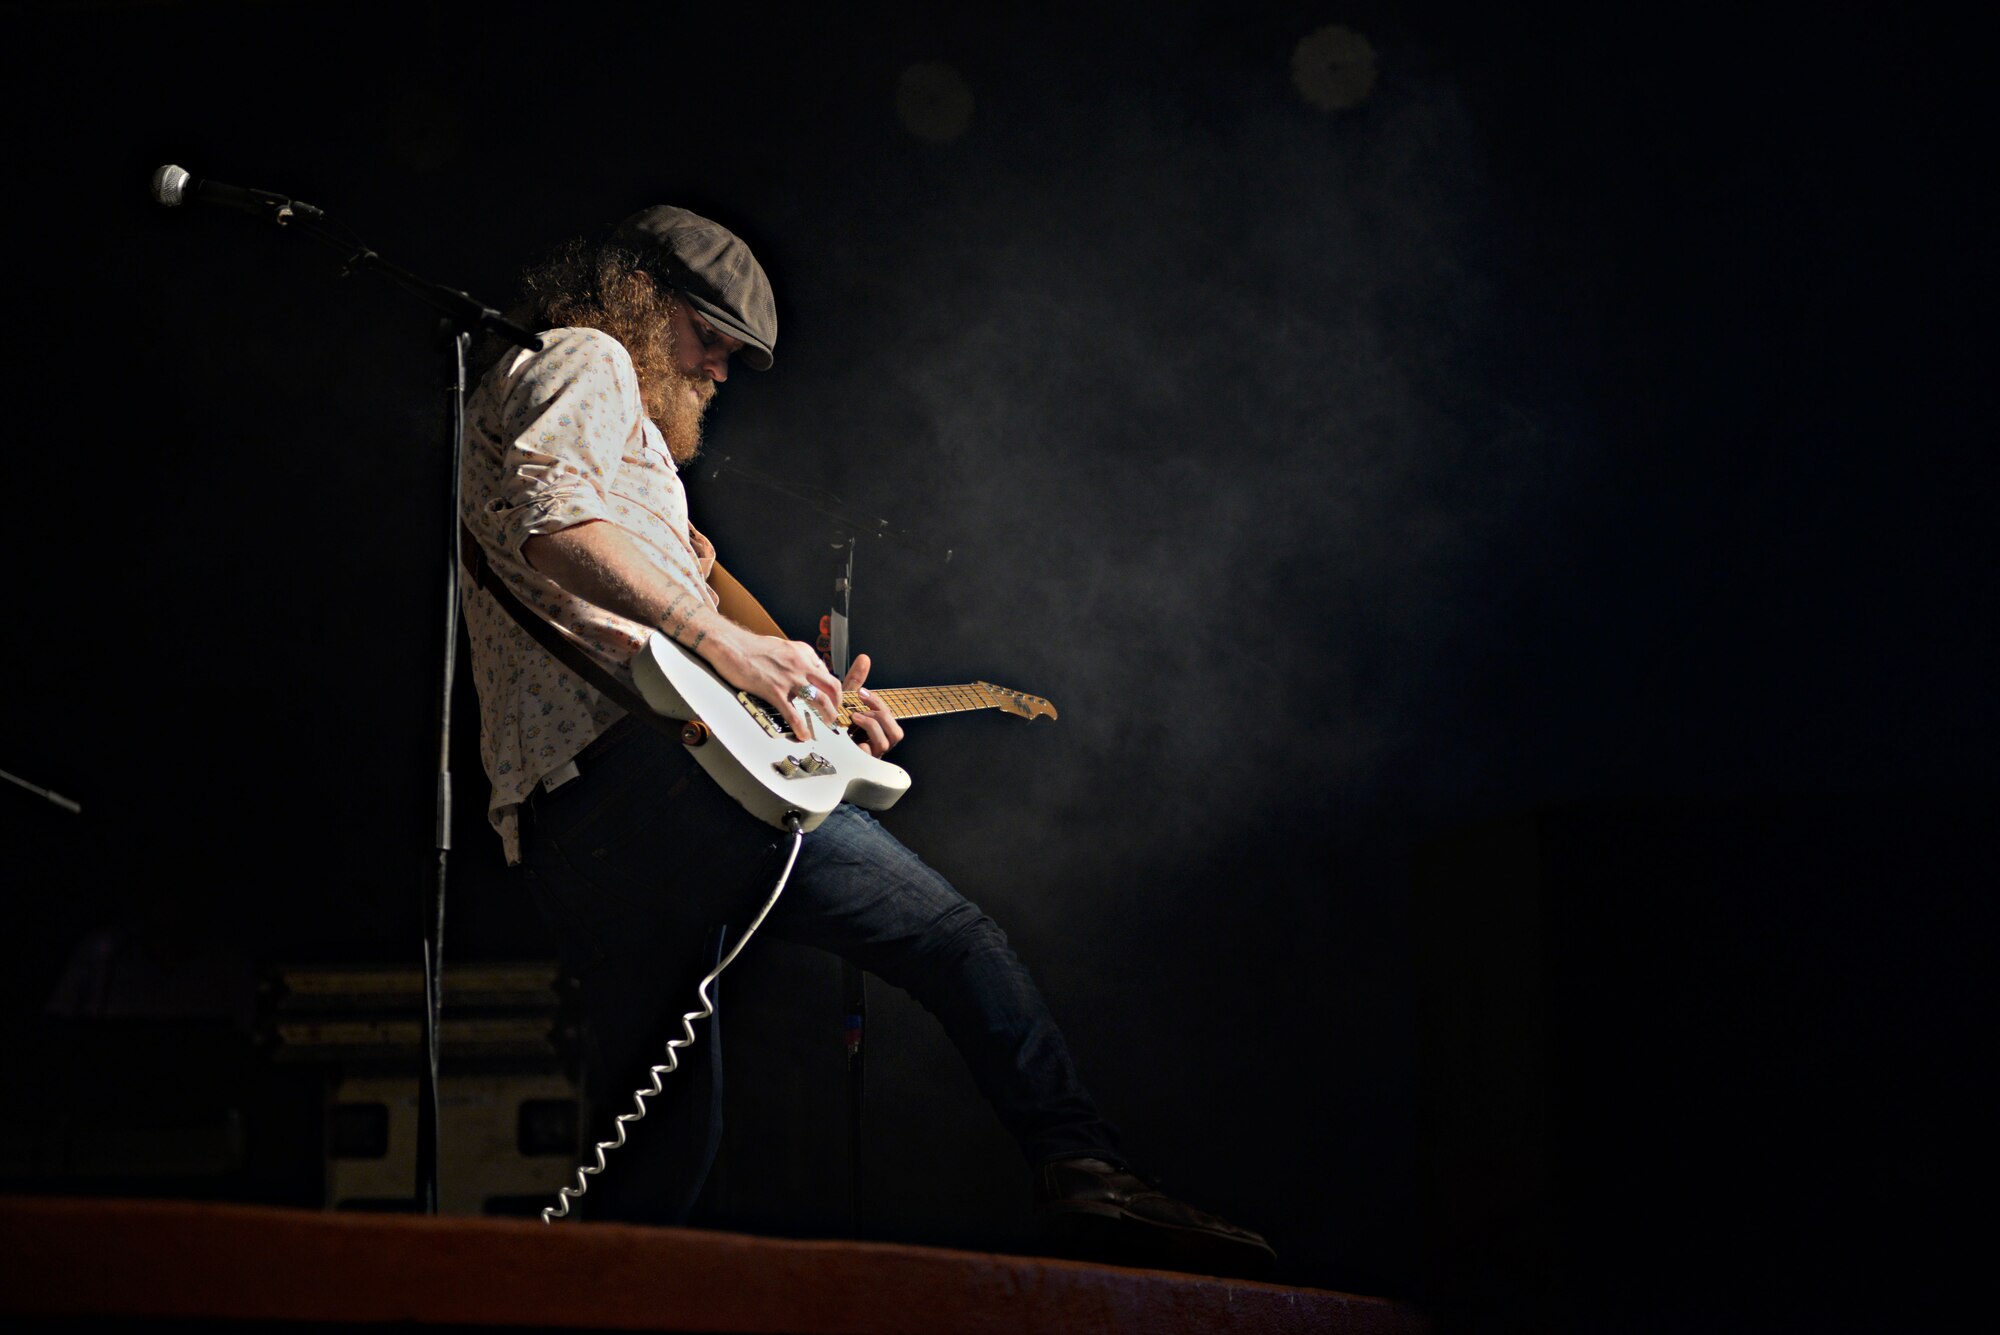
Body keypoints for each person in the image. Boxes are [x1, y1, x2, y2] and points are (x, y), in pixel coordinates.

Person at [457, 204, 1273, 1277]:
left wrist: (795, 683)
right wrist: (724, 648)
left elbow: (663, 575)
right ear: (640, 302)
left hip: (570, 821)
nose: (721, 368)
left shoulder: (621, 439)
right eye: (710, 337)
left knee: (657, 1134)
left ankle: (578, 1301)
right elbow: (553, 524)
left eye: (735, 356)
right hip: (653, 774)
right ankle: (1082, 1166)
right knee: (953, 940)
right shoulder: (585, 357)